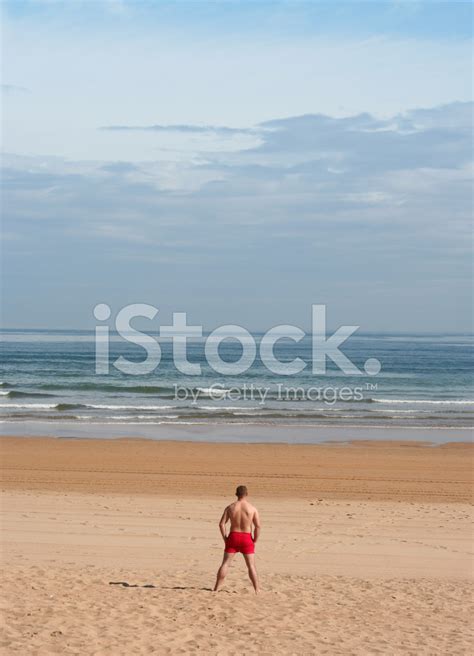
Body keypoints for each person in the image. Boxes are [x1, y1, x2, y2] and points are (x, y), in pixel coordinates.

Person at [213, 485, 261, 593]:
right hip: (246, 537)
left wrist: (225, 538)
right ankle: (257, 590)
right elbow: (258, 526)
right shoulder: (252, 508)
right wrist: (255, 540)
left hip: (233, 536)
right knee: (251, 566)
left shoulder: (230, 507)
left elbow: (221, 524)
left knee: (225, 563)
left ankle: (216, 588)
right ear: (247, 494)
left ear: (236, 494)